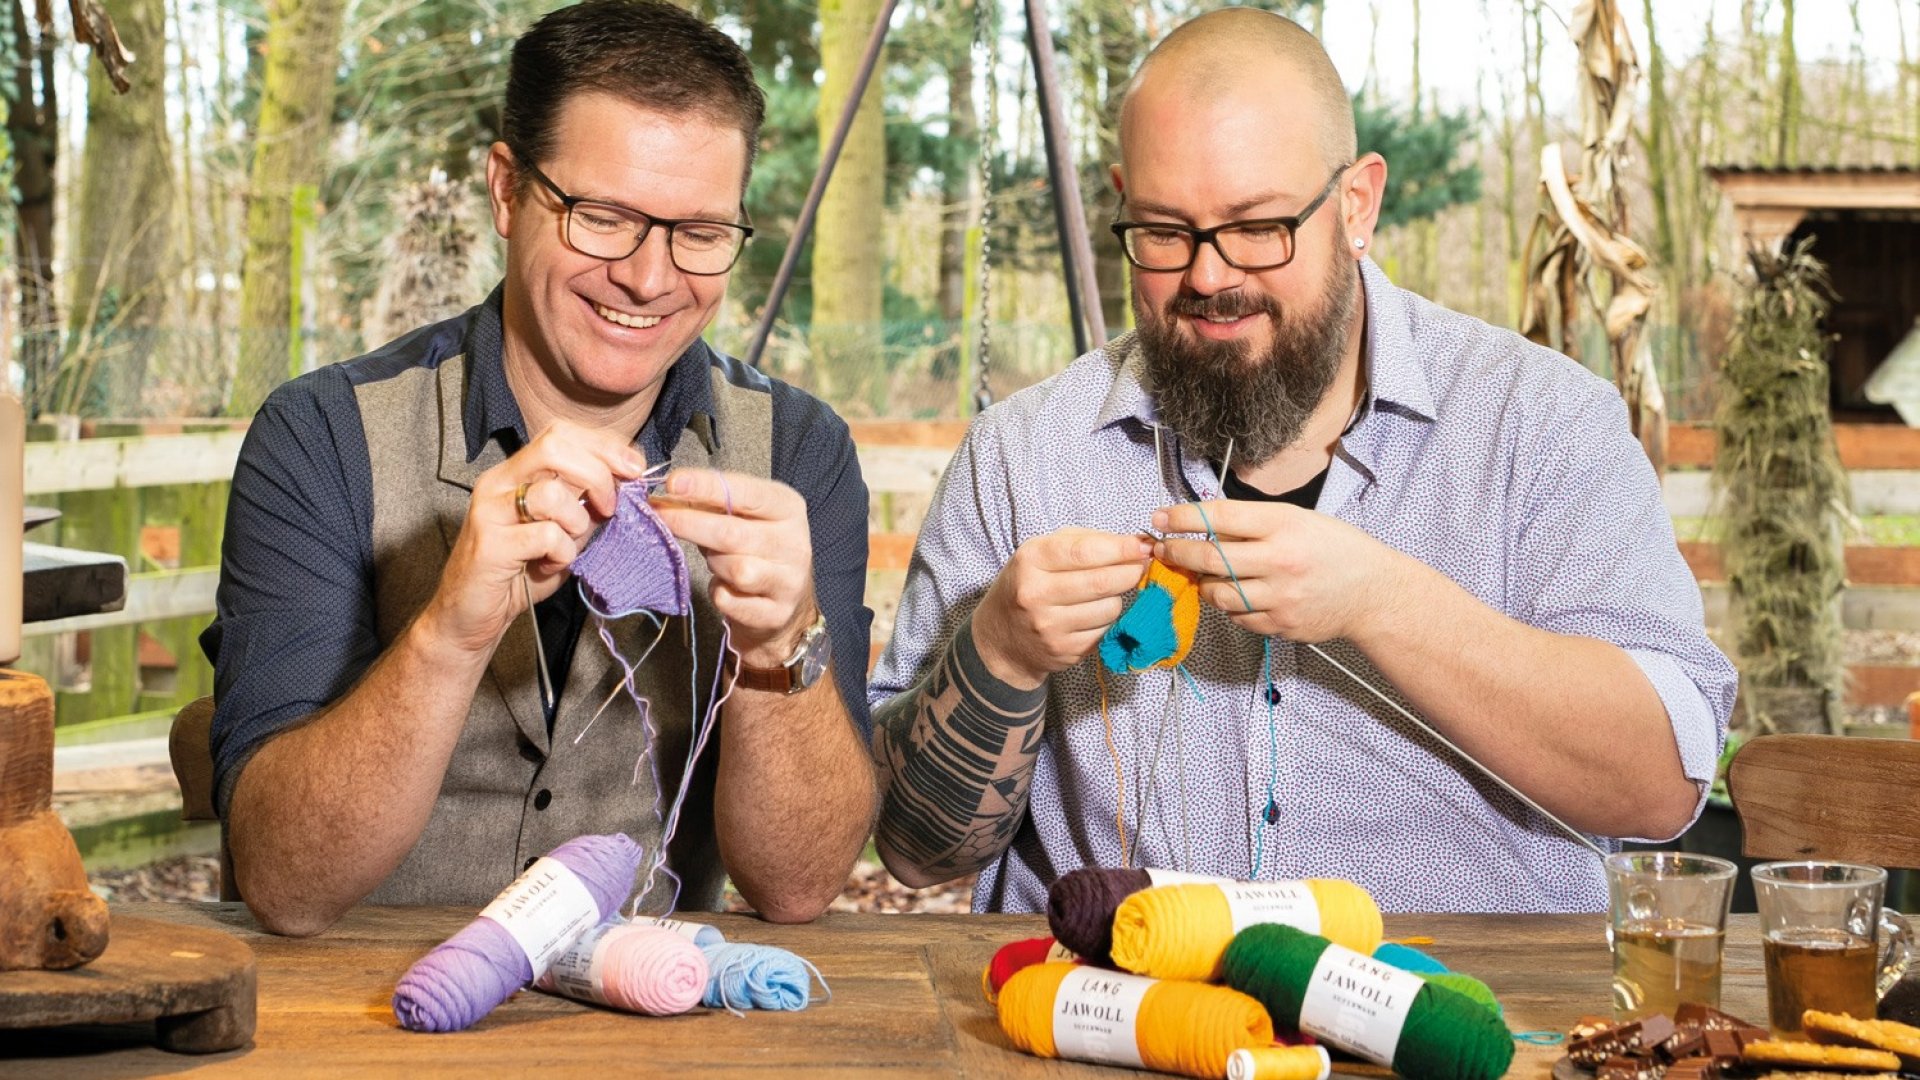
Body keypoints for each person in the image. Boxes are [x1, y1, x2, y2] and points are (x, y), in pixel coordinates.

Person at [868, 8, 1734, 914]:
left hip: (1470, 1026)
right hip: (1112, 1019)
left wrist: (1381, 601)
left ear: (1356, 203)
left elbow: (1665, 785)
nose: (1209, 276)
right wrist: (998, 655)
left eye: (1256, 227)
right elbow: (915, 852)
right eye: (1164, 230)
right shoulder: (1021, 456)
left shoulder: (1542, 424)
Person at [203, 0, 876, 936]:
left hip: (656, 1025)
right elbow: (282, 880)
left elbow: (799, 887)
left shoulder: (801, 455)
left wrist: (778, 651)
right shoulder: (321, 438)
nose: (650, 278)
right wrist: (447, 636)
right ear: (508, 190)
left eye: (702, 232)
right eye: (603, 217)